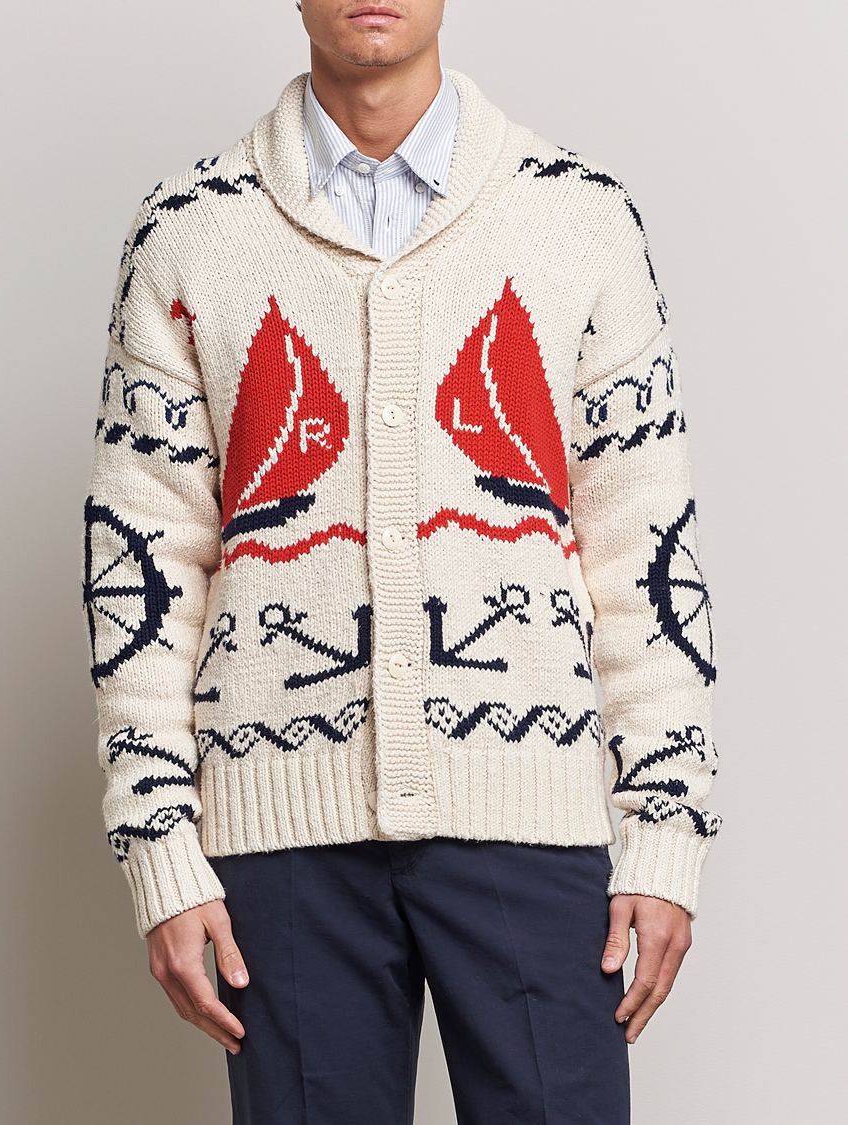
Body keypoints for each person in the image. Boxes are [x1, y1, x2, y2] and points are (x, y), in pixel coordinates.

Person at [82, 1, 721, 1121]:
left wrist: (665, 830)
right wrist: (159, 851)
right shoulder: (188, 230)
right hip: (281, 836)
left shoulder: (579, 217)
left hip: (530, 813)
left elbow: (644, 550)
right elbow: (141, 563)